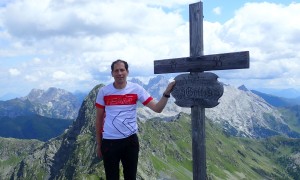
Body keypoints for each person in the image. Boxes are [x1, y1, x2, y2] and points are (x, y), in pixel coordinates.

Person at [95, 59, 175, 180]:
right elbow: (99, 120)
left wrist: (166, 93)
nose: (119, 73)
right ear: (112, 73)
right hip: (109, 142)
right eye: (116, 70)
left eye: (122, 70)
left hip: (130, 142)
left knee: (130, 177)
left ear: (127, 72)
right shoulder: (103, 92)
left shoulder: (136, 89)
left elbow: (157, 108)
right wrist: (99, 144)